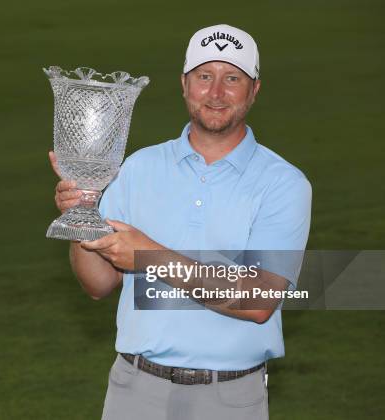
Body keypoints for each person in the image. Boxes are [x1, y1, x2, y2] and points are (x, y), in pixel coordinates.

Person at [49, 24, 311, 420]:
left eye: (233, 78)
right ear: (185, 84)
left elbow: (259, 300)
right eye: (205, 77)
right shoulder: (137, 168)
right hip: (134, 389)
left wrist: (149, 256)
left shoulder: (283, 183)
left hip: (231, 397)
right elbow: (98, 284)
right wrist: (79, 215)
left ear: (254, 90)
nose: (217, 93)